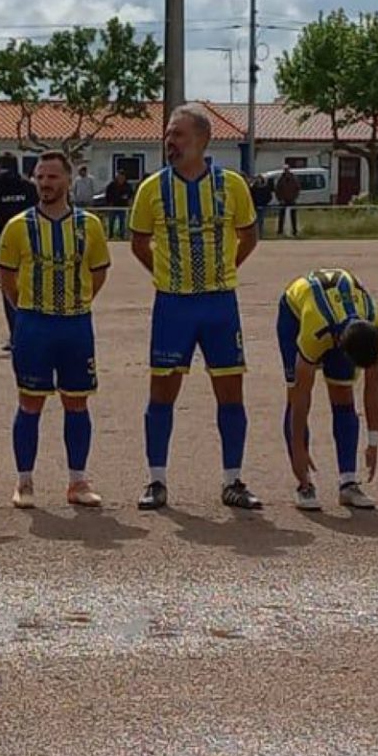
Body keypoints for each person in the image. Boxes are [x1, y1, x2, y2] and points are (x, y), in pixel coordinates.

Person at [127, 105, 262, 511]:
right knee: (162, 393)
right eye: (168, 134)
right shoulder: (152, 189)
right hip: (173, 306)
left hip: (220, 303)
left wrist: (223, 270)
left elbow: (248, 236)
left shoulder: (232, 185)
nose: (171, 142)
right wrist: (168, 276)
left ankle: (233, 479)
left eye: (179, 134)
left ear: (203, 139)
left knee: (230, 392)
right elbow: (138, 244)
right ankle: (156, 480)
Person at [0, 148, 110, 508]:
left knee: (76, 403)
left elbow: (97, 272)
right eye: (40, 177)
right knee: (30, 403)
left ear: (67, 179)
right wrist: (29, 312)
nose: (45, 183)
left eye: (52, 177)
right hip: (34, 324)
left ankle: (78, 481)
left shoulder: (88, 225)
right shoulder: (18, 227)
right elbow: (8, 278)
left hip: (75, 324)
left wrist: (75, 303)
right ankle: (24, 482)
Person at [277, 268, 378, 512]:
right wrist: (298, 449)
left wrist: (373, 442)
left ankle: (348, 483)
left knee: (343, 395)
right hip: (296, 311)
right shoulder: (316, 329)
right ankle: (304, 485)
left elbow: (373, 386)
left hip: (342, 312)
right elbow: (301, 395)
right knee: (296, 390)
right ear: (340, 345)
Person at [0, 154, 36, 355]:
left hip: (4, 250)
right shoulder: (29, 188)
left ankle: (17, 335)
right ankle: (33, 333)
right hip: (32, 247)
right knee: (32, 289)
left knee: (10, 292)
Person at [274, 165, 302, 239]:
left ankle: (294, 231)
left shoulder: (294, 179)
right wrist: (280, 199)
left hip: (292, 200)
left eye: (287, 169)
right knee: (281, 216)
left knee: (293, 216)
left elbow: (298, 189)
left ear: (289, 169)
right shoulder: (281, 179)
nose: (286, 171)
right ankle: (280, 231)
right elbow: (277, 190)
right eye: (285, 169)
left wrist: (294, 198)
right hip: (283, 200)